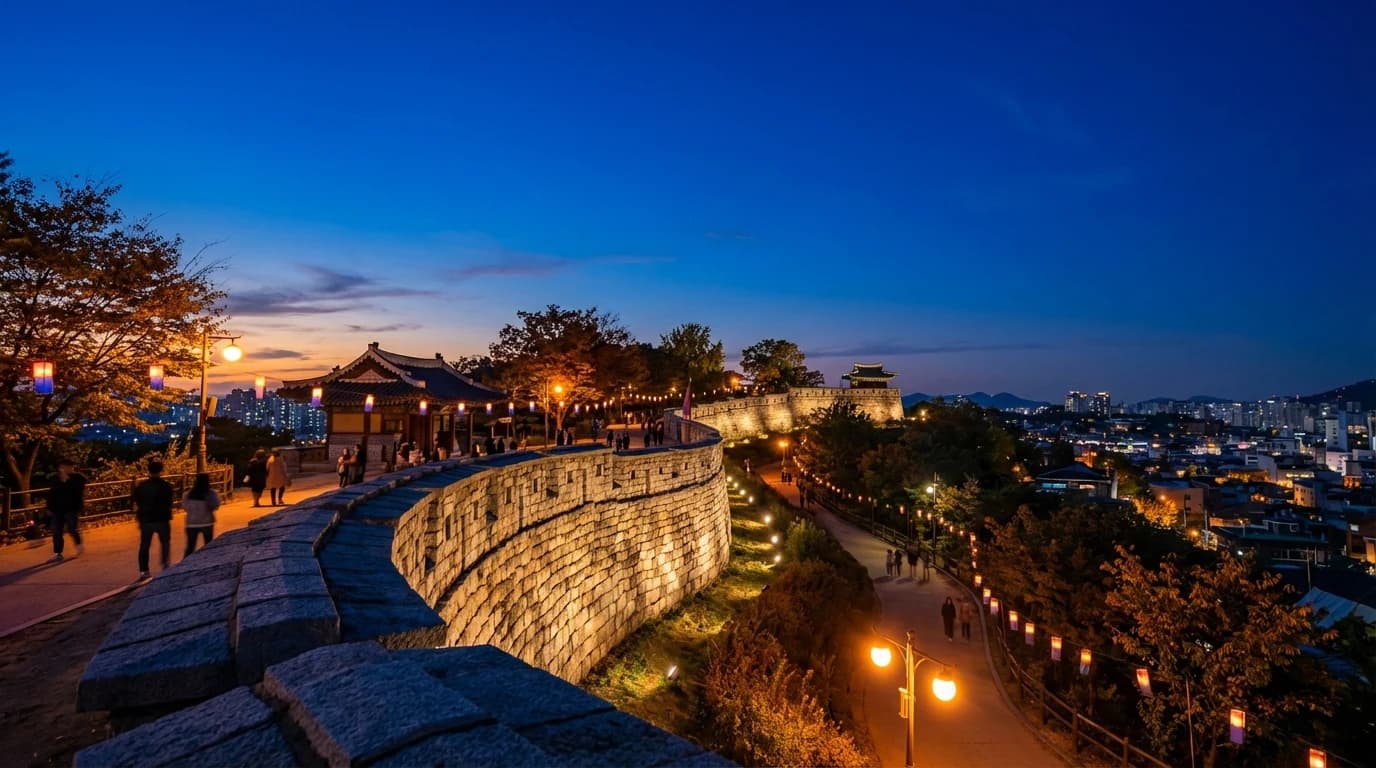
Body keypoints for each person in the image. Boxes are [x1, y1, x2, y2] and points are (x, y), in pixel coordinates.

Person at [132, 459, 174, 580]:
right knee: (165, 542)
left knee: (145, 545)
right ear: (161, 470)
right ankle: (165, 565)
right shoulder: (166, 486)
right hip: (162, 518)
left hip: (146, 519)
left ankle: (144, 570)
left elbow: (137, 501)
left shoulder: (141, 486)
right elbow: (169, 502)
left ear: (148, 470)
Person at [45, 459, 86, 562]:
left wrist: (66, 479)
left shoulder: (79, 478)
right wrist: (49, 507)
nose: (62, 469)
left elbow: (77, 492)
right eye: (61, 466)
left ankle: (79, 546)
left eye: (65, 466)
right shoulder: (56, 478)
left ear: (71, 467)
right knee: (56, 531)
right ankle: (58, 553)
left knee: (72, 529)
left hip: (71, 508)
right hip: (57, 509)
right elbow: (51, 494)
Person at [182, 472, 221, 556]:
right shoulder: (211, 493)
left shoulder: (188, 494)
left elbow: (185, 507)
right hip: (207, 522)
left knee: (190, 546)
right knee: (208, 546)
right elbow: (215, 505)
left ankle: (184, 565)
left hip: (191, 523)